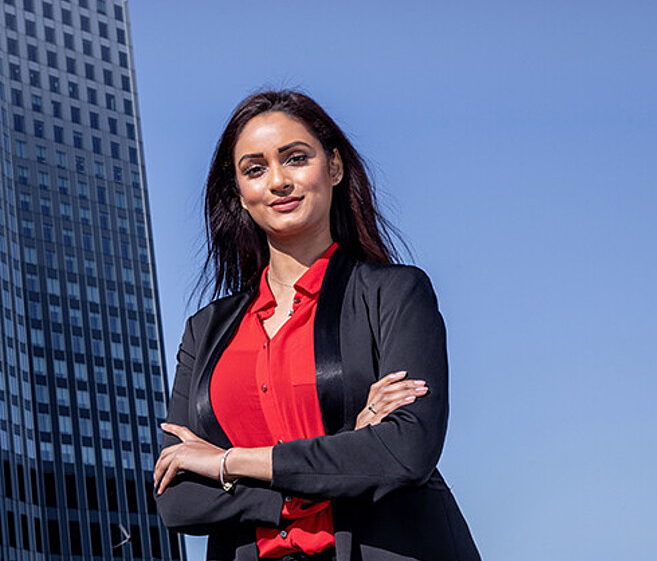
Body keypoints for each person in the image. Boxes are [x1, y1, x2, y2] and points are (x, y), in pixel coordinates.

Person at [152, 91, 479, 561]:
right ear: (239, 195)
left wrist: (228, 462)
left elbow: (405, 453)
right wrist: (347, 452)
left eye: (296, 158)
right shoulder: (206, 331)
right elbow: (180, 498)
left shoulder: (394, 294)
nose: (279, 181)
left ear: (335, 168)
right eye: (255, 169)